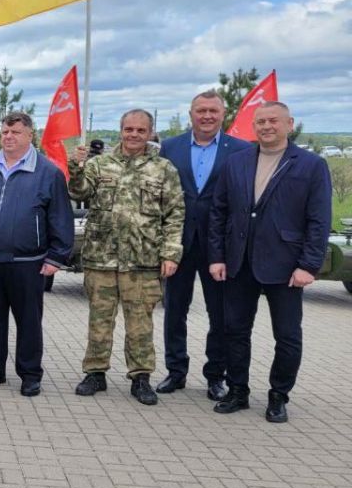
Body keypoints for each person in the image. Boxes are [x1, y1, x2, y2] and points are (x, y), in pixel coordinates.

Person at [208, 102, 332, 423]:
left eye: (273, 121)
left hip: (286, 266)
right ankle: (238, 390)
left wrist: (309, 265)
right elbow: (219, 212)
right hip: (239, 262)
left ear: (289, 124)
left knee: (287, 336)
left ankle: (278, 396)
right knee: (235, 331)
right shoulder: (236, 163)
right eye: (260, 121)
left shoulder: (311, 165)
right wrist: (217, 257)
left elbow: (319, 220)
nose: (266, 126)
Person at [68, 109, 184, 406]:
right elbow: (79, 192)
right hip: (102, 258)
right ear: (121, 130)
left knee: (140, 324)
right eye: (129, 129)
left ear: (150, 133)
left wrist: (171, 253)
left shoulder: (163, 169)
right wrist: (76, 167)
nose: (134, 135)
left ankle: (141, 377)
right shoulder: (99, 164)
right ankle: (95, 373)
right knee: (99, 320)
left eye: (140, 130)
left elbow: (175, 214)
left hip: (143, 261)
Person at [0, 112, 74, 397]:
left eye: (15, 132)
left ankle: (30, 374)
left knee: (28, 321)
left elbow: (61, 217)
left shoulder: (47, 172)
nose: (9, 137)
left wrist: (57, 256)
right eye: (5, 132)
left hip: (28, 263)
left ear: (30, 135)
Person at [156, 90, 252, 398]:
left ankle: (215, 376)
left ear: (223, 114)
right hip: (179, 243)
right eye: (201, 111)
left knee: (219, 314)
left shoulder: (241, 150)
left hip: (219, 246)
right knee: (174, 310)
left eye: (213, 111)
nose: (207, 116)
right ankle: (176, 371)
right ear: (191, 114)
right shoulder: (170, 147)